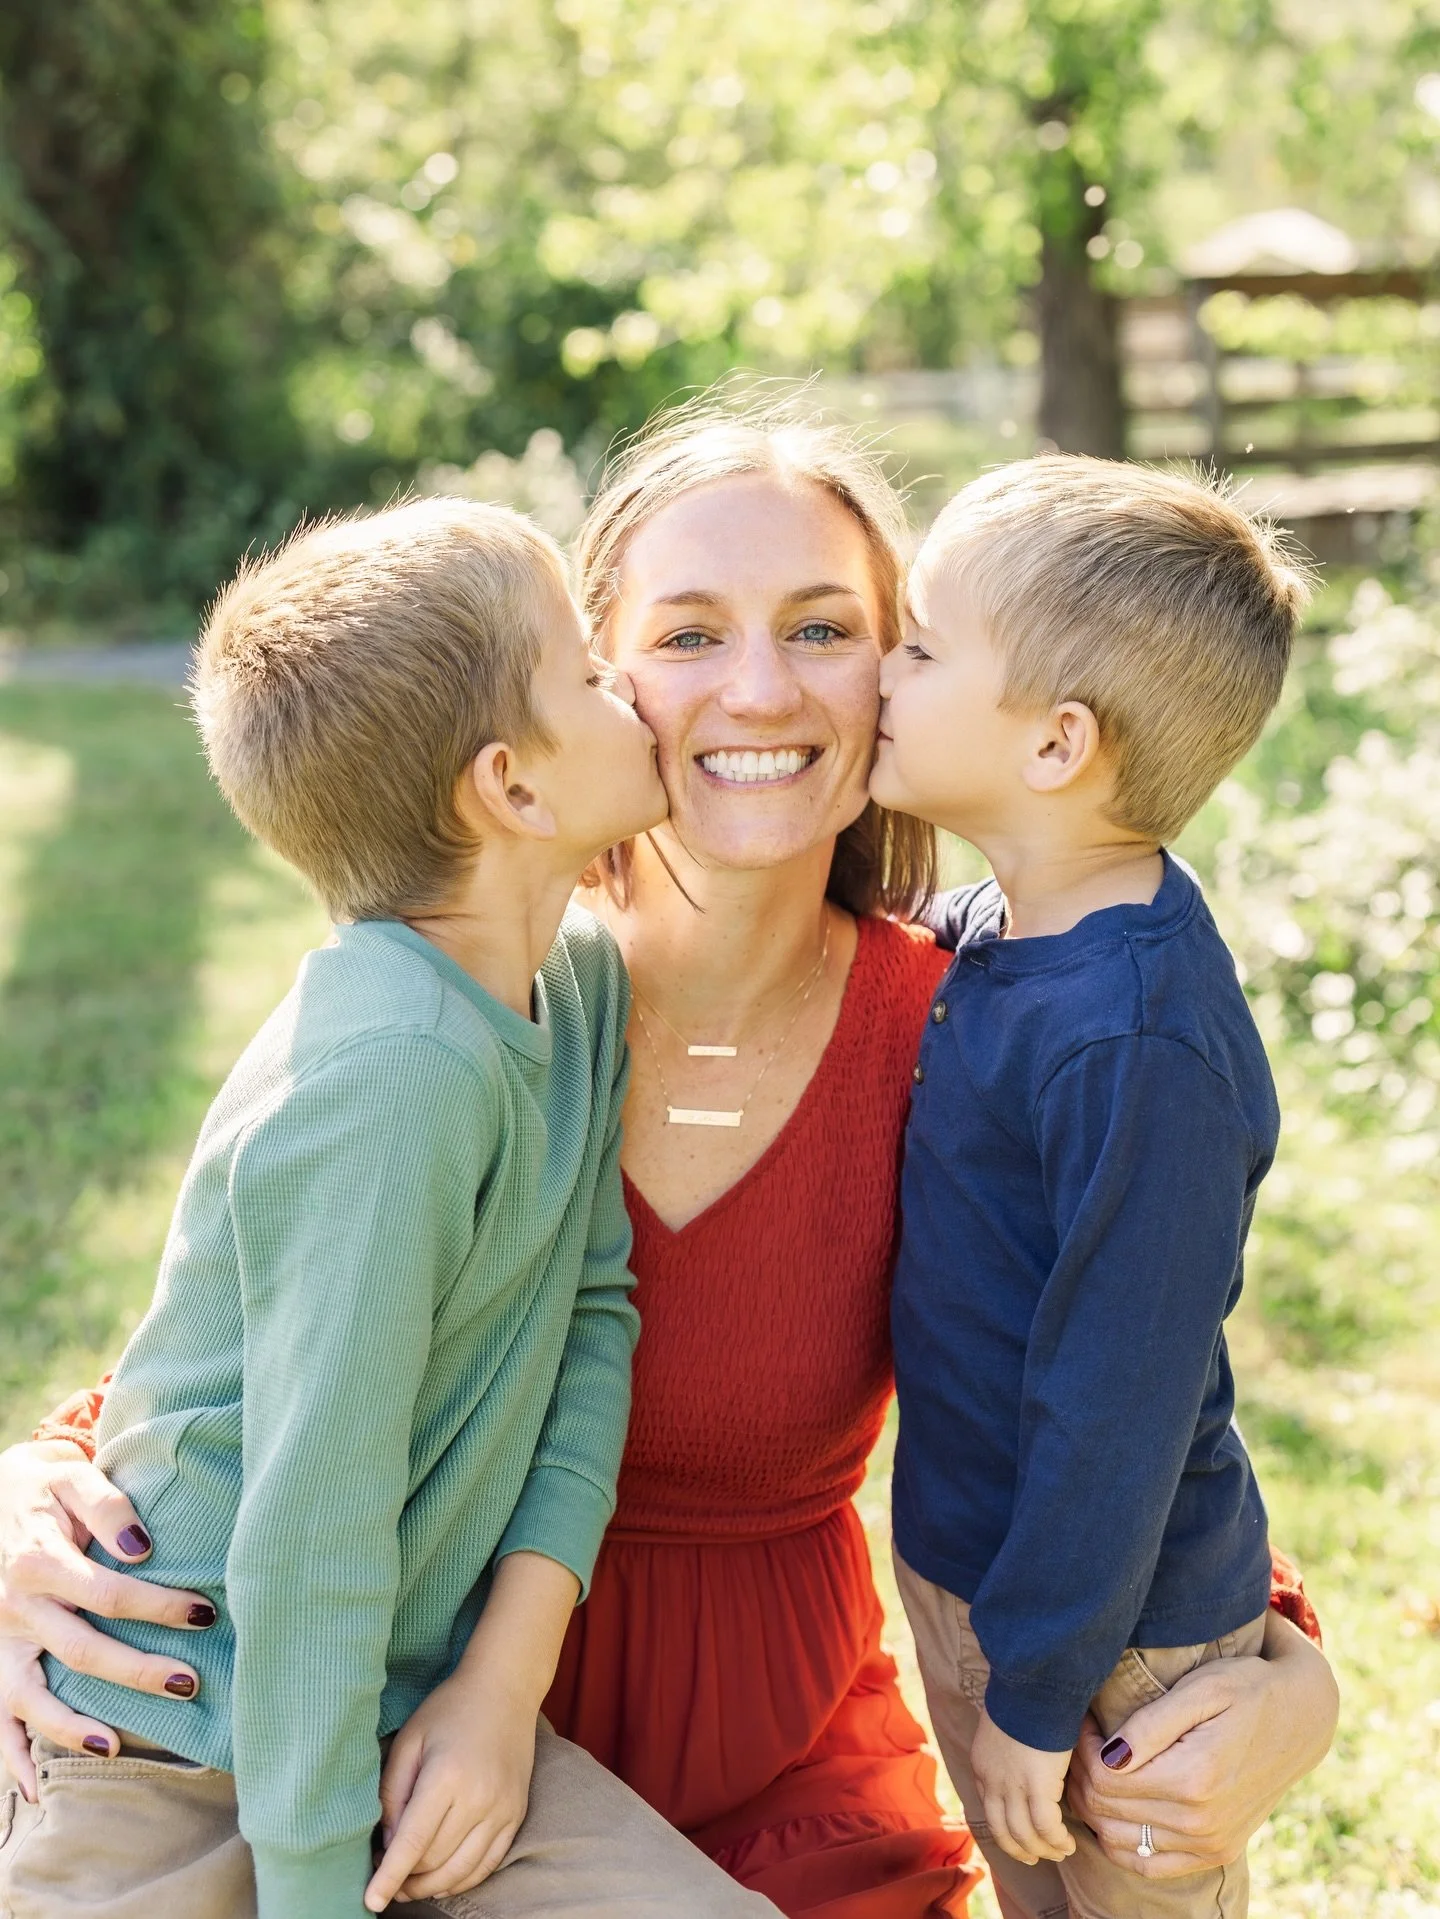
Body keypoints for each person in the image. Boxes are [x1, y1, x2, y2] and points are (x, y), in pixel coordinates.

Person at [0, 407, 1339, 1919]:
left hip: (775, 1765)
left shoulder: (958, 1024)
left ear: (899, 668)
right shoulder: (472, 1004)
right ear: (593, 681)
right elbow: (247, 1360)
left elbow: (1128, 1365)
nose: (761, 688)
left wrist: (1295, 1674)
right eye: (687, 633)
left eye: (828, 627)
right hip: (392, 1730)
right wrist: (29, 1498)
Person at [0, 498, 779, 1919]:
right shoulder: (391, 1076)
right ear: (514, 791)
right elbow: (310, 1530)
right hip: (172, 1739)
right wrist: (310, 1890)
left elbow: (593, 1311)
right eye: (591, 677)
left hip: (401, 1720)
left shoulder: (582, 986)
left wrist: (499, 1682)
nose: (633, 690)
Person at [873, 457, 1311, 1919]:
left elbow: (1115, 1402)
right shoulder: (1014, 924)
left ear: (1058, 743)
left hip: (1116, 1636)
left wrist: (1044, 1689)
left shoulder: (1140, 1040)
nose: (885, 663)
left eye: (922, 645)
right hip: (982, 1570)